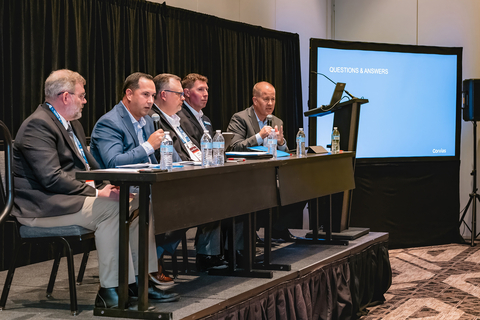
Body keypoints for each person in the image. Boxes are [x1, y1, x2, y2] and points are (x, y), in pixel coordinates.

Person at [12, 69, 178, 309]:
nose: (85, 100)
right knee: (112, 208)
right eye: (81, 95)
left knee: (139, 201)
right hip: (42, 209)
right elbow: (51, 178)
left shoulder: (72, 124)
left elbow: (91, 166)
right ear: (66, 97)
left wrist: (108, 185)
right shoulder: (37, 125)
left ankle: (141, 281)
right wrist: (98, 192)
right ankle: (111, 289)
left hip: (69, 200)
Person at [90, 72, 182, 286]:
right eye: (145, 95)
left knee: (188, 197)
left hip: (147, 185)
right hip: (121, 190)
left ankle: (148, 271)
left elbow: (157, 157)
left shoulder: (149, 121)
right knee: (153, 203)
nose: (151, 101)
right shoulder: (109, 123)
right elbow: (113, 162)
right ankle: (147, 275)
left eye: (153, 95)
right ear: (129, 94)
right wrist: (149, 146)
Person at [151, 73, 228, 271]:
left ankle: (216, 252)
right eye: (179, 94)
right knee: (200, 201)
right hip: (165, 180)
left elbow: (190, 148)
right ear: (164, 95)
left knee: (223, 194)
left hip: (189, 172)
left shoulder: (175, 118)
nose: (183, 99)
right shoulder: (155, 119)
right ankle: (155, 258)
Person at [227, 81, 302, 242]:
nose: (270, 104)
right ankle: (250, 232)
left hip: (271, 173)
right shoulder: (240, 119)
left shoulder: (276, 121)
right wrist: (259, 136)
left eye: (273, 99)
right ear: (255, 100)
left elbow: (285, 154)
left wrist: (281, 143)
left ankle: (278, 228)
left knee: (301, 188)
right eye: (266, 99)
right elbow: (233, 147)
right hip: (247, 175)